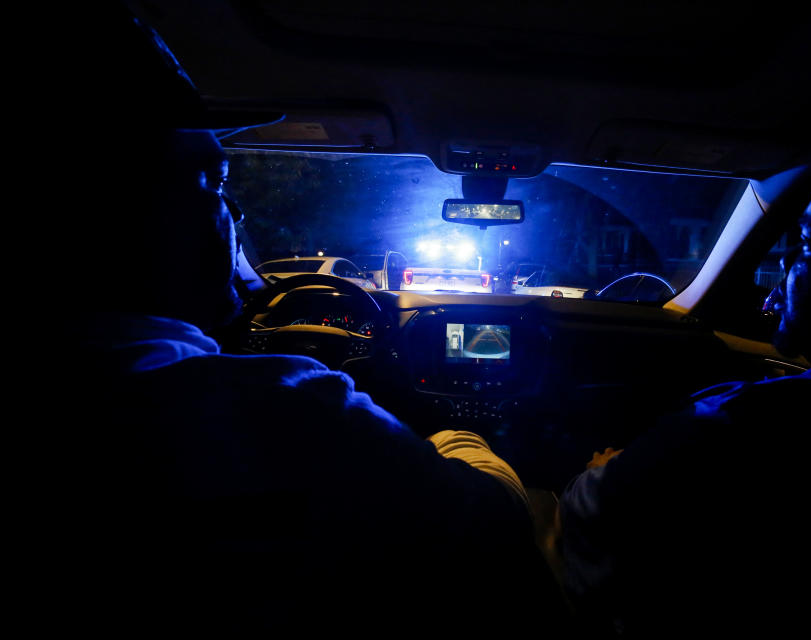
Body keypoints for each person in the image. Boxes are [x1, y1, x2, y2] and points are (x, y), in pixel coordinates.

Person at [54, 11, 566, 636]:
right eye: (214, 184)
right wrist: (458, 437)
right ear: (132, 200)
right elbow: (494, 525)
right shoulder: (289, 414)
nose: (233, 214)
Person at [557, 139, 811, 636]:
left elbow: (591, 509)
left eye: (805, 243)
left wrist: (599, 470)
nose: (784, 266)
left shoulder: (746, 425)